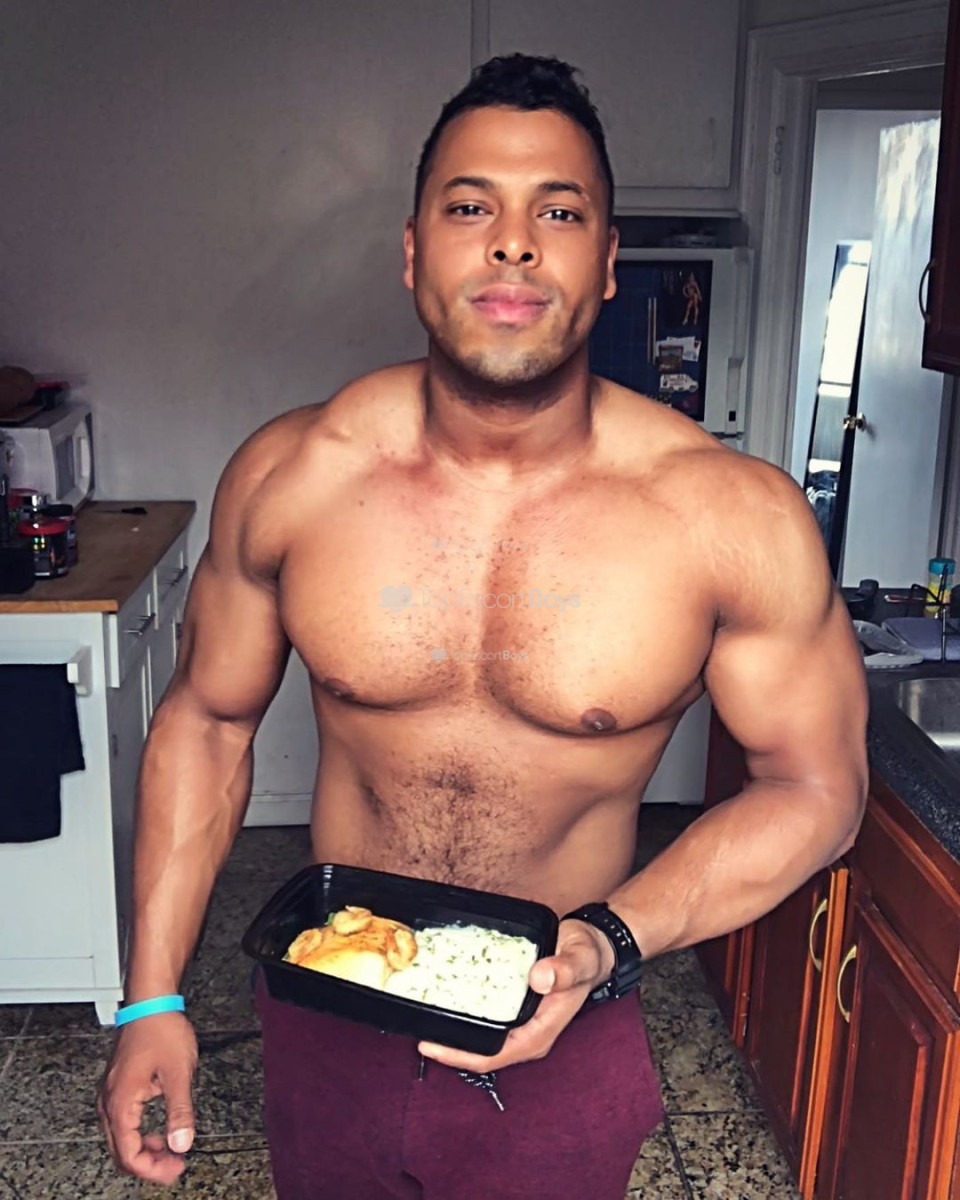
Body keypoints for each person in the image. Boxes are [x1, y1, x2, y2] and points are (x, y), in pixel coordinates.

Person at [98, 53, 868, 1199]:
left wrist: (611, 938)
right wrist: (152, 997)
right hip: (334, 1011)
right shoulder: (293, 476)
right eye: (471, 208)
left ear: (608, 261)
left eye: (558, 211)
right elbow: (207, 724)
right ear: (414, 251)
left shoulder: (731, 519)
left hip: (563, 1023)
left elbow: (817, 789)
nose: (514, 245)